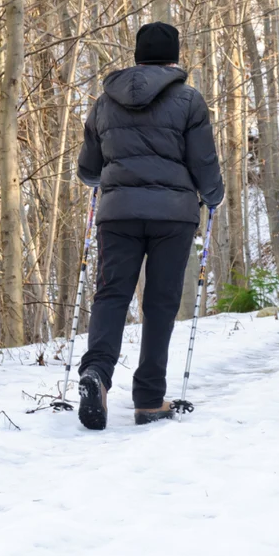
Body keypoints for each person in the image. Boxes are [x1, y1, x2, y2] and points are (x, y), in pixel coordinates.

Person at [74, 22, 224, 430]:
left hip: (118, 213)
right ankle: (149, 399)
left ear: (137, 55)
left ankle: (97, 375)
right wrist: (214, 195)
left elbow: (88, 169)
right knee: (159, 304)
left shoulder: (105, 102)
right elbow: (203, 162)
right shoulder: (189, 100)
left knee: (111, 296)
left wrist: (105, 176)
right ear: (174, 56)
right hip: (173, 216)